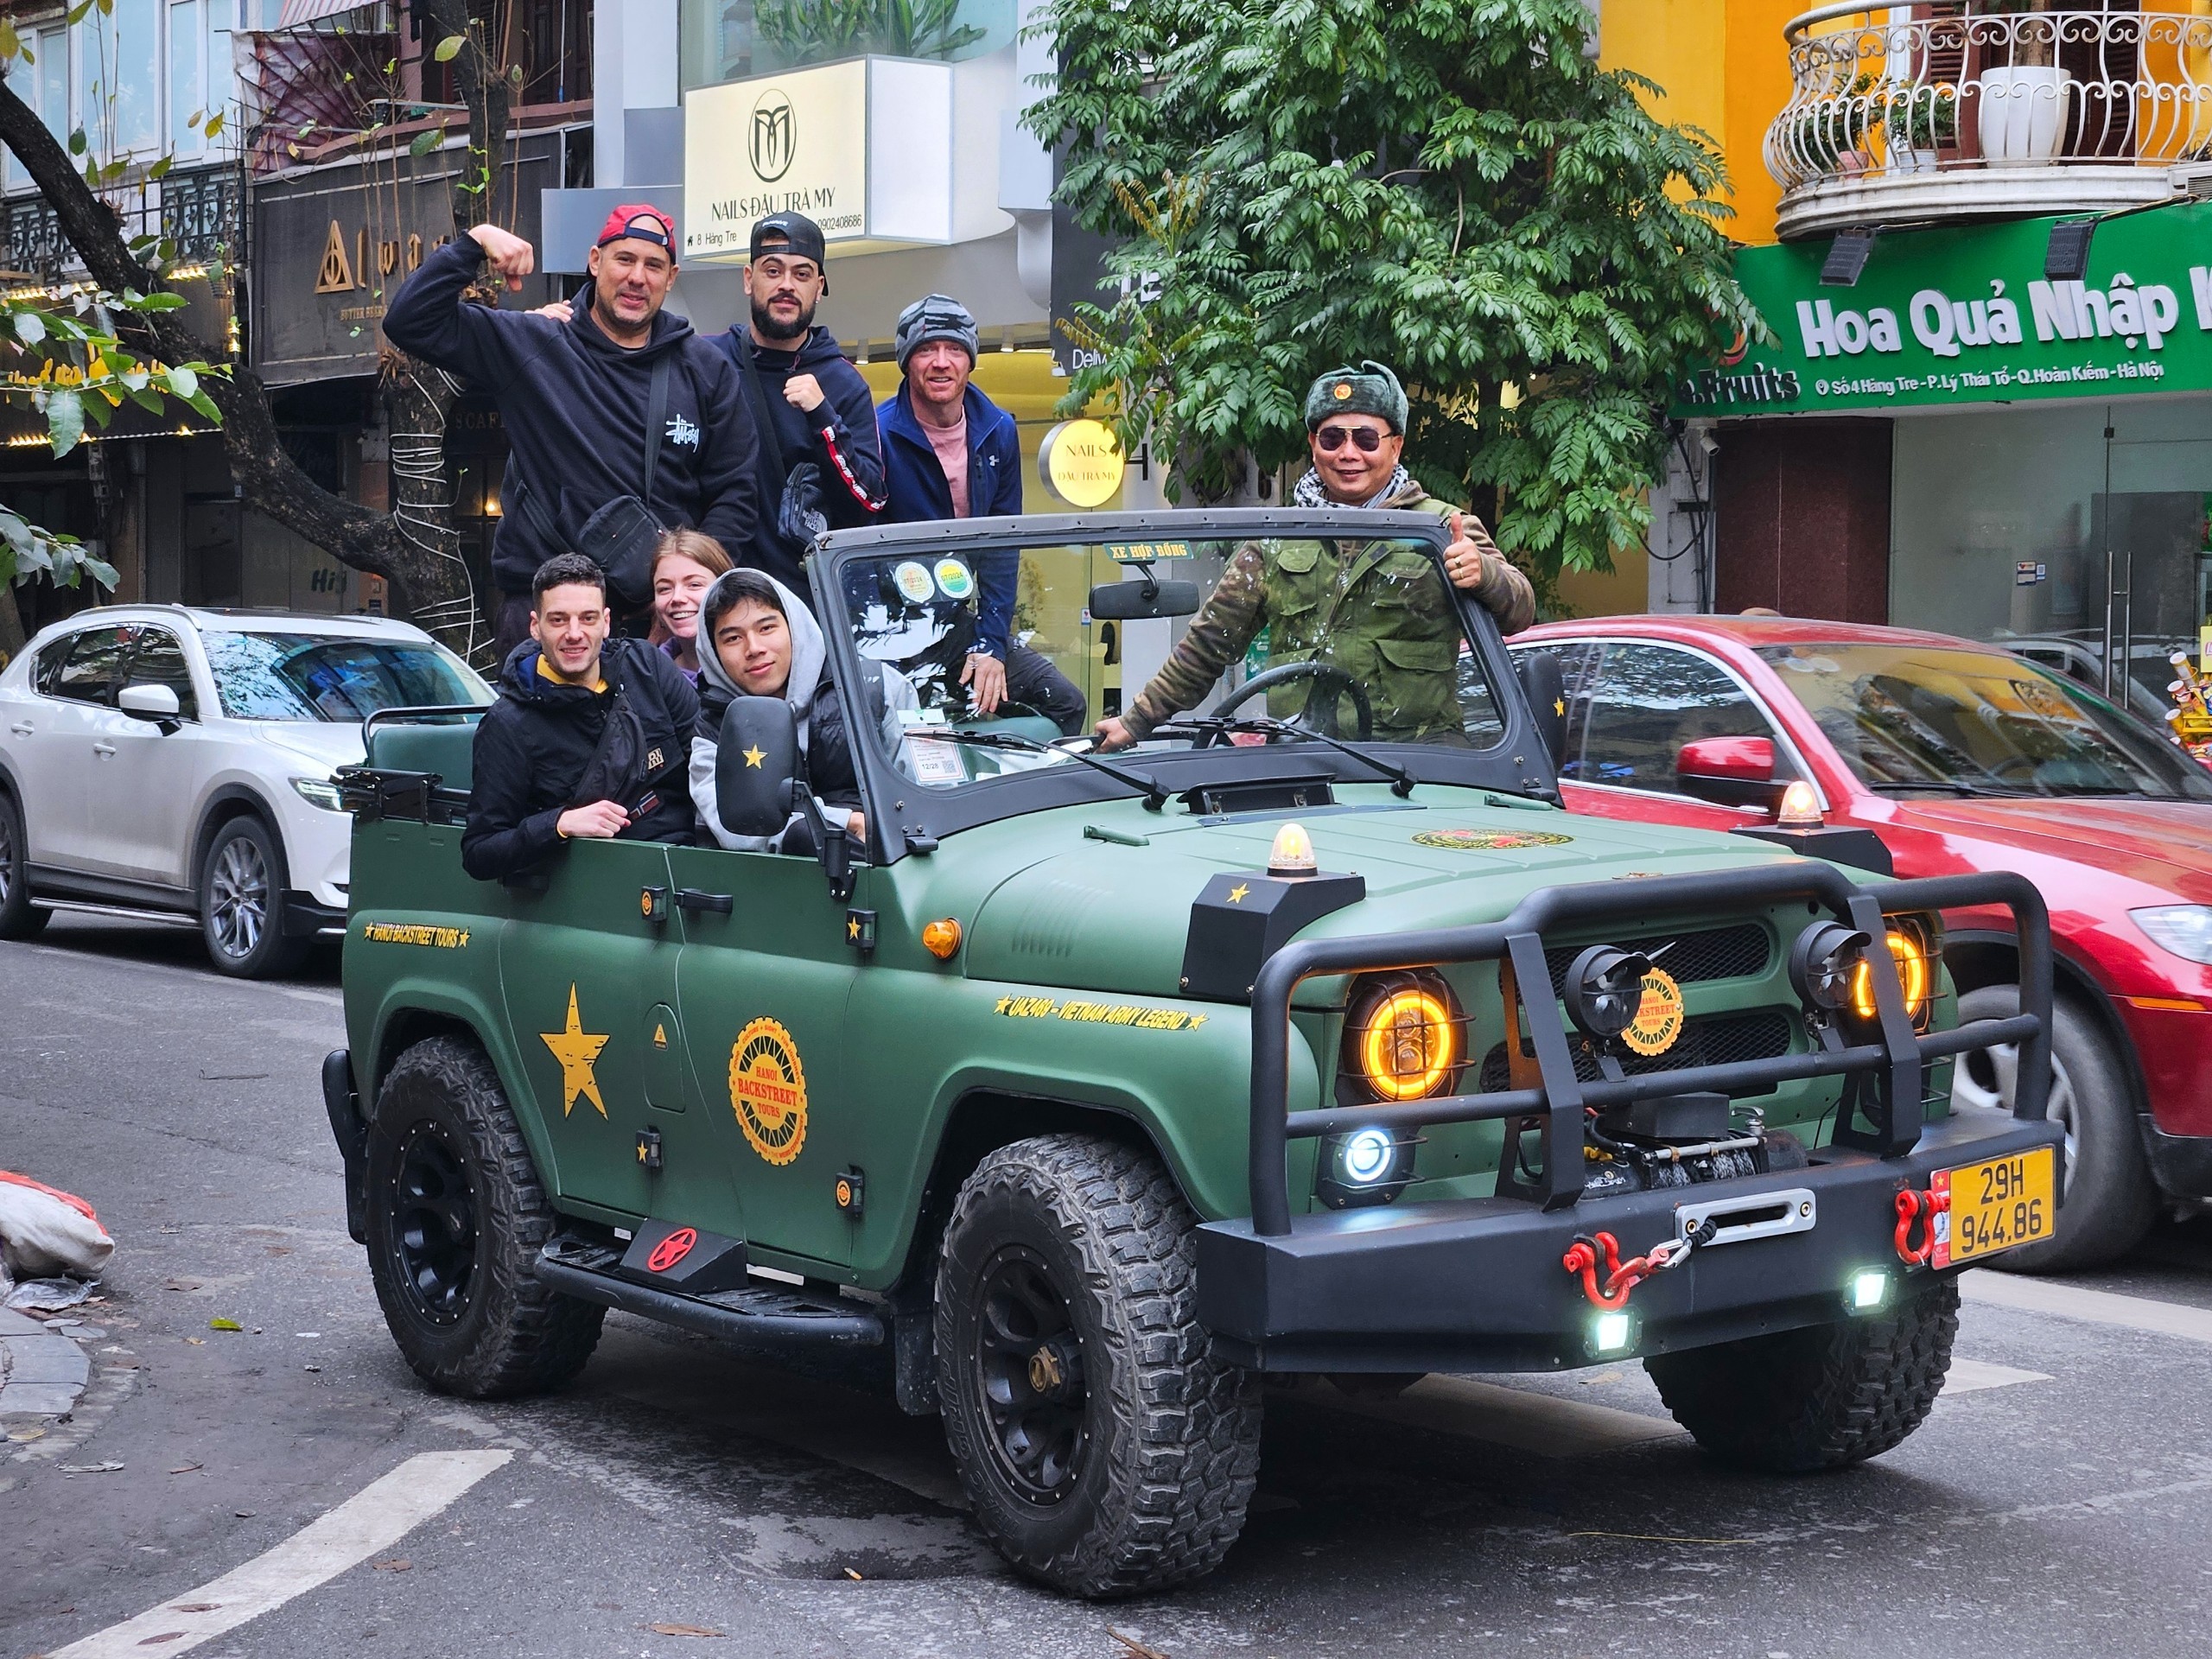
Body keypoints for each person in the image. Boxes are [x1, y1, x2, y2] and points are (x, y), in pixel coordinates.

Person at [383, 204, 760, 662]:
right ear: (595, 261)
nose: (637, 277)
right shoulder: (536, 342)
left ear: (672, 277)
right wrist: (474, 243)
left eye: (653, 265)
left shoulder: (705, 369)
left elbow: (735, 494)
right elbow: (409, 320)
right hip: (546, 617)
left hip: (655, 627)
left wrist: (686, 594)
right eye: (624, 259)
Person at [1096, 361, 1536, 751]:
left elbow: (1520, 611)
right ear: (1313, 444)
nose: (1348, 453)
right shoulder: (1278, 538)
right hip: (1301, 755)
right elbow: (1209, 646)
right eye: (1332, 438)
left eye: (1366, 438)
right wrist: (1135, 722)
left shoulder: (1441, 529)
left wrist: (1486, 576)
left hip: (1417, 759)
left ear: (1395, 446)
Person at [876, 293, 1087, 734]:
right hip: (891, 631)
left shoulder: (998, 429)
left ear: (970, 361)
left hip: (959, 624)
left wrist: (990, 645)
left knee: (1065, 703)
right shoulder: (878, 432)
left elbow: (1001, 547)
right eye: (925, 350)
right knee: (906, 733)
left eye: (954, 349)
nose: (940, 362)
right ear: (906, 361)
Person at [461, 553, 700, 881]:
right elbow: (479, 852)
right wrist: (559, 824)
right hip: (594, 883)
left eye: (587, 619)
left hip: (690, 854)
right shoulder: (509, 723)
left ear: (606, 622)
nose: (574, 634)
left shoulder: (647, 667)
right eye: (558, 620)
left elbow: (706, 754)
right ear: (535, 626)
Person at [689, 568, 918, 854]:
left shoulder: (873, 686)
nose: (754, 648)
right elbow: (735, 829)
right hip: (779, 882)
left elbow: (921, 794)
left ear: (795, 625)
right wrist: (846, 821)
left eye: (767, 628)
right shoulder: (713, 728)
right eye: (733, 638)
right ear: (713, 651)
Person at [651, 529, 734, 683]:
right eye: (664, 589)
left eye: (694, 584)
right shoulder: (648, 676)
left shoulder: (755, 662)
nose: (677, 598)